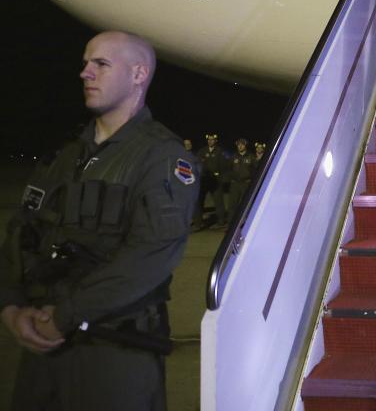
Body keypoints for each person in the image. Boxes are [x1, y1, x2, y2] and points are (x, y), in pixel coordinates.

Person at [0, 30, 198, 410]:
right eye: (85, 63)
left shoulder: (162, 157)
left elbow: (151, 255)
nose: (85, 73)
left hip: (114, 352)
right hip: (42, 344)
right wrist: (10, 307)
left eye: (101, 64)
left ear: (138, 74)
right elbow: (19, 234)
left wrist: (66, 316)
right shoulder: (63, 156)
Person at [195, 132, 230, 228]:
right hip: (204, 180)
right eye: (209, 140)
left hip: (215, 181)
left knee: (219, 202)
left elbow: (224, 167)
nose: (210, 141)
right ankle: (198, 223)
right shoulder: (202, 151)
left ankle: (221, 222)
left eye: (212, 140)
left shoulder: (220, 151)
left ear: (216, 141)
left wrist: (222, 179)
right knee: (199, 202)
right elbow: (197, 164)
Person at [225, 137, 256, 223]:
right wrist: (231, 178)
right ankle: (231, 224)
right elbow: (228, 169)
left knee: (246, 204)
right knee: (232, 205)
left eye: (242, 144)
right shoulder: (233, 157)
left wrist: (251, 180)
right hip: (235, 184)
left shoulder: (251, 157)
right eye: (238, 145)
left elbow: (256, 170)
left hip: (246, 184)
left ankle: (246, 223)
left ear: (245, 145)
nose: (240, 146)